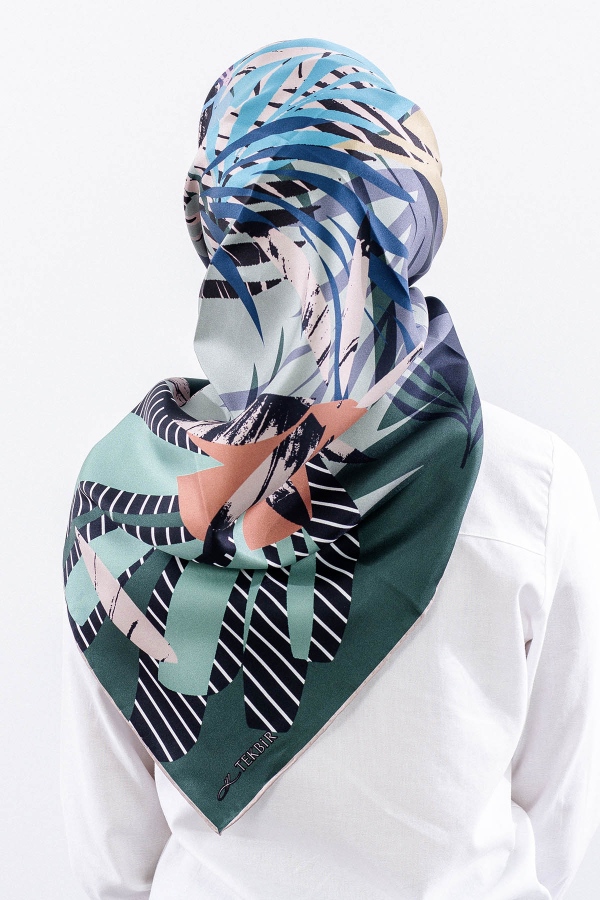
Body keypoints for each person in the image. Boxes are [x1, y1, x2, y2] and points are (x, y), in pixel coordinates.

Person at [60, 38, 600, 899]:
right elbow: (561, 835)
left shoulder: (123, 501)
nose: (272, 257)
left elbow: (111, 862)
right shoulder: (529, 485)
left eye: (291, 221)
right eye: (246, 222)